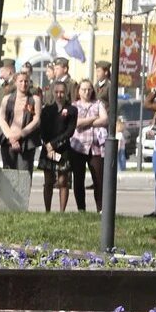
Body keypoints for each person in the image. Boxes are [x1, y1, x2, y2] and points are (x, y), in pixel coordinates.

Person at [36, 81, 77, 213]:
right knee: (48, 181)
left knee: (62, 181)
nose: (59, 95)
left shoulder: (72, 110)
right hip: (47, 149)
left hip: (62, 149)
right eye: (57, 92)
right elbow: (42, 130)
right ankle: (47, 210)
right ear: (53, 93)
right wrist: (46, 145)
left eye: (62, 92)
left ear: (66, 93)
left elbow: (69, 131)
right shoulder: (47, 110)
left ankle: (61, 212)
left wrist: (53, 144)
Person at [68, 79, 107, 213]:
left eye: (89, 89)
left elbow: (105, 120)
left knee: (99, 179)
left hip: (96, 147)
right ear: (78, 91)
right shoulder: (74, 106)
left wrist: (86, 122)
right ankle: (81, 209)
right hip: (78, 147)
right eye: (84, 89)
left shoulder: (98, 103)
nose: (87, 92)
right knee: (78, 179)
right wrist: (92, 119)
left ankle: (101, 209)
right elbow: (76, 123)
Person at [0, 71, 39, 173]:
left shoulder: (35, 99)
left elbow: (36, 120)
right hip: (8, 142)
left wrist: (20, 135)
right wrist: (11, 137)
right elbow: (1, 119)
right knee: (8, 174)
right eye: (21, 81)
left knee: (24, 174)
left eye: (26, 81)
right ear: (15, 82)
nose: (24, 84)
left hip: (26, 142)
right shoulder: (6, 99)